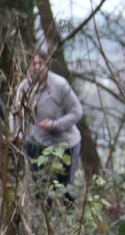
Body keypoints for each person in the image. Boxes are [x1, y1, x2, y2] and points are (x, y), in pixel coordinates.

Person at [17, 50, 82, 198]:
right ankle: (43, 211)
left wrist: (55, 124)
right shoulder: (24, 87)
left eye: (41, 63)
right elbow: (15, 112)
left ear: (47, 64)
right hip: (36, 145)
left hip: (64, 146)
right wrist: (18, 133)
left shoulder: (59, 85)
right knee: (41, 192)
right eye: (34, 64)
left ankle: (69, 212)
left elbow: (77, 111)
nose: (37, 67)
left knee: (66, 191)